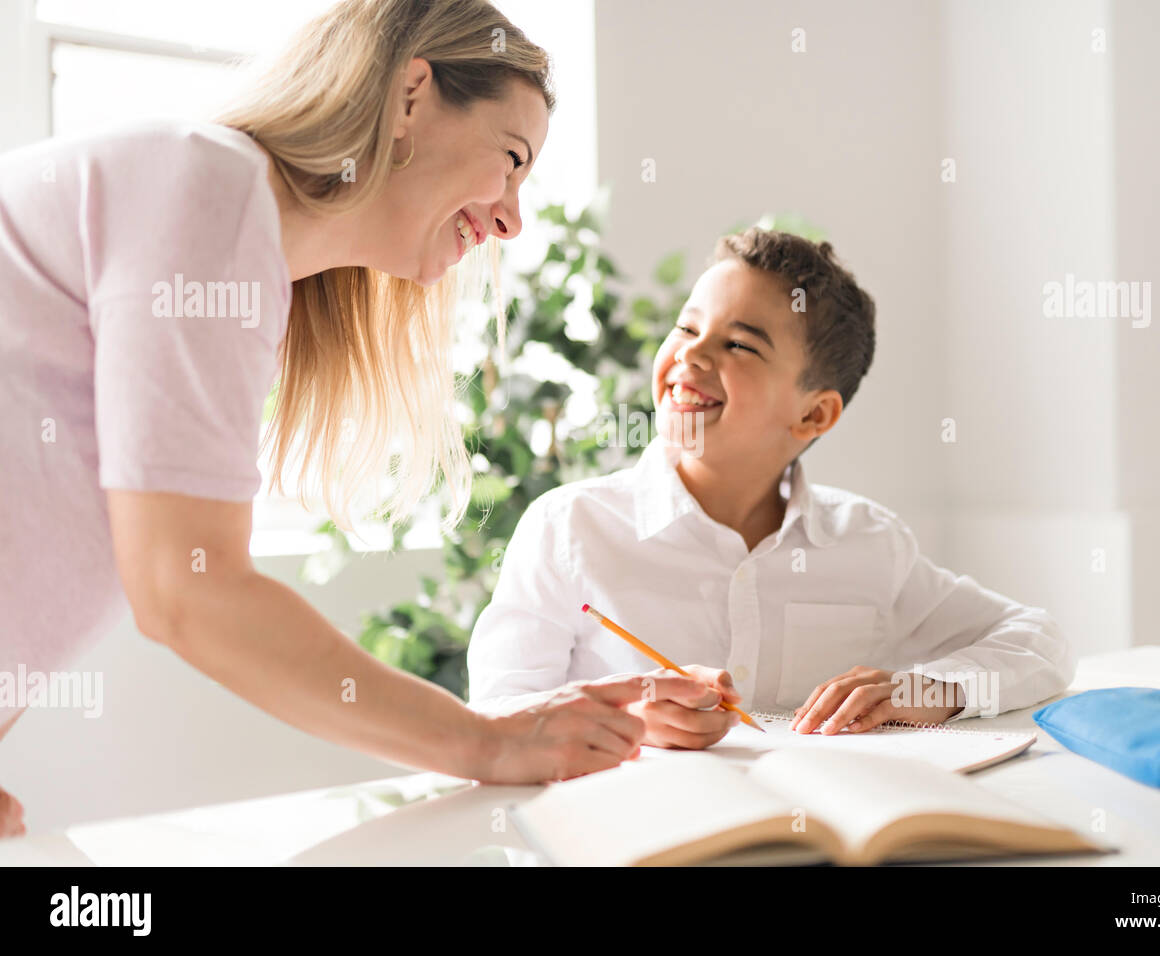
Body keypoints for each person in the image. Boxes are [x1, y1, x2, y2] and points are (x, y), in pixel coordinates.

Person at [0, 0, 700, 838]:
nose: (513, 216)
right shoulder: (209, 185)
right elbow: (188, 591)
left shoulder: (241, 273)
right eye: (511, 160)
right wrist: (486, 742)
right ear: (411, 95)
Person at [467, 227, 1076, 749]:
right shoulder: (569, 528)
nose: (691, 356)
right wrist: (625, 716)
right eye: (687, 327)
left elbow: (1041, 643)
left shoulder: (869, 543)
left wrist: (930, 688)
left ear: (814, 416)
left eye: (738, 344)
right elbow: (495, 718)